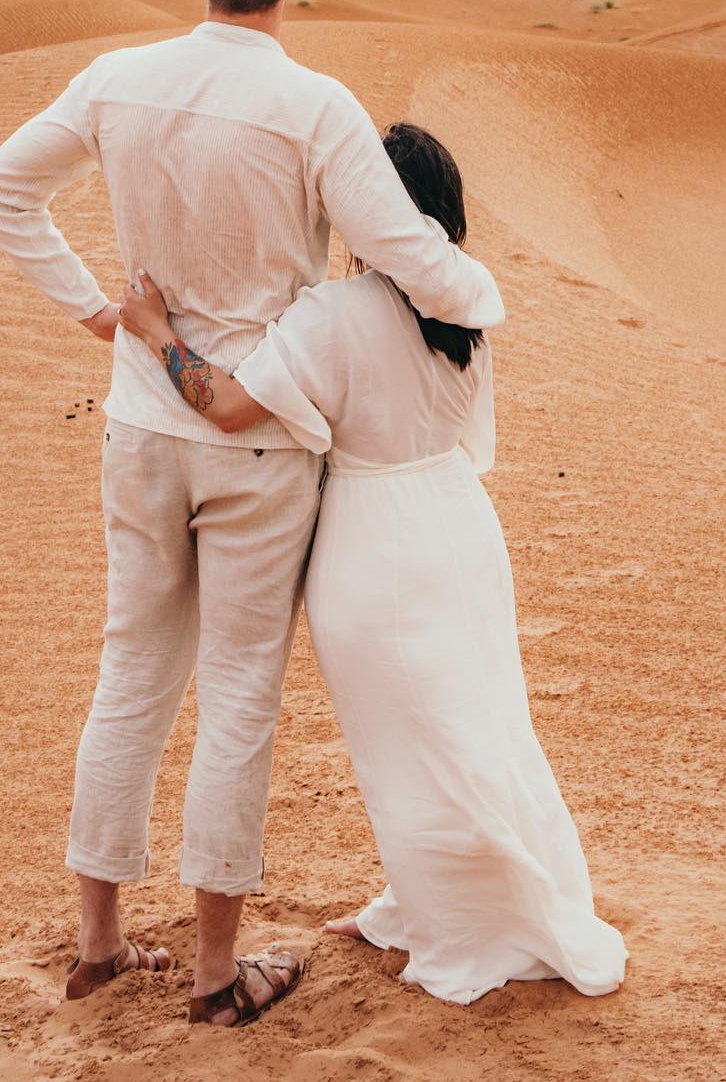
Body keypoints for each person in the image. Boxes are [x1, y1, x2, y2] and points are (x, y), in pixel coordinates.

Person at [0, 0, 504, 1026]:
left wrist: (100, 317)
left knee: (129, 676)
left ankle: (101, 942)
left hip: (140, 428)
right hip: (256, 436)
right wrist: (479, 296)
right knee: (241, 695)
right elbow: (406, 249)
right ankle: (216, 972)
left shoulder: (116, 76)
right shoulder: (314, 105)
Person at [118, 122, 628, 1007]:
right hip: (461, 527)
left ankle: (462, 923)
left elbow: (231, 405)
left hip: (375, 540)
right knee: (475, 726)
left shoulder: (332, 313)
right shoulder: (466, 298)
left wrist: (158, 332)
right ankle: (432, 899)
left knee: (407, 745)